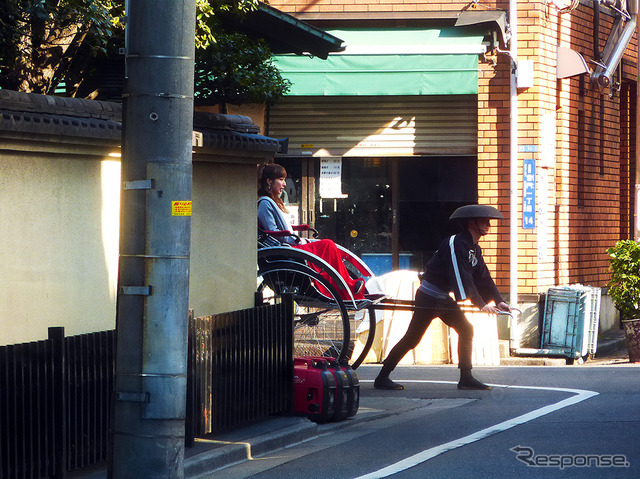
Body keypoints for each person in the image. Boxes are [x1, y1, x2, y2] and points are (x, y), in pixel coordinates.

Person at [374, 204, 512, 391]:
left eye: (489, 222)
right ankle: (382, 377)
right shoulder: (455, 243)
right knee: (413, 338)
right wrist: (480, 304)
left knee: (466, 329)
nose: (489, 225)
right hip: (430, 295)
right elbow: (461, 276)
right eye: (484, 221)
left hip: (442, 297)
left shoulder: (474, 248)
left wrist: (499, 301)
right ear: (472, 223)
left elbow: (483, 276)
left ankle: (466, 378)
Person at [257, 163, 365, 300]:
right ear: (269, 181)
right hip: (284, 248)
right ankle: (346, 287)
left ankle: (345, 286)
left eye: (284, 180)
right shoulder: (265, 204)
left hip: (289, 243)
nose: (284, 184)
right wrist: (293, 238)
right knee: (327, 245)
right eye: (281, 179)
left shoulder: (271, 201)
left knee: (328, 246)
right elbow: (272, 232)